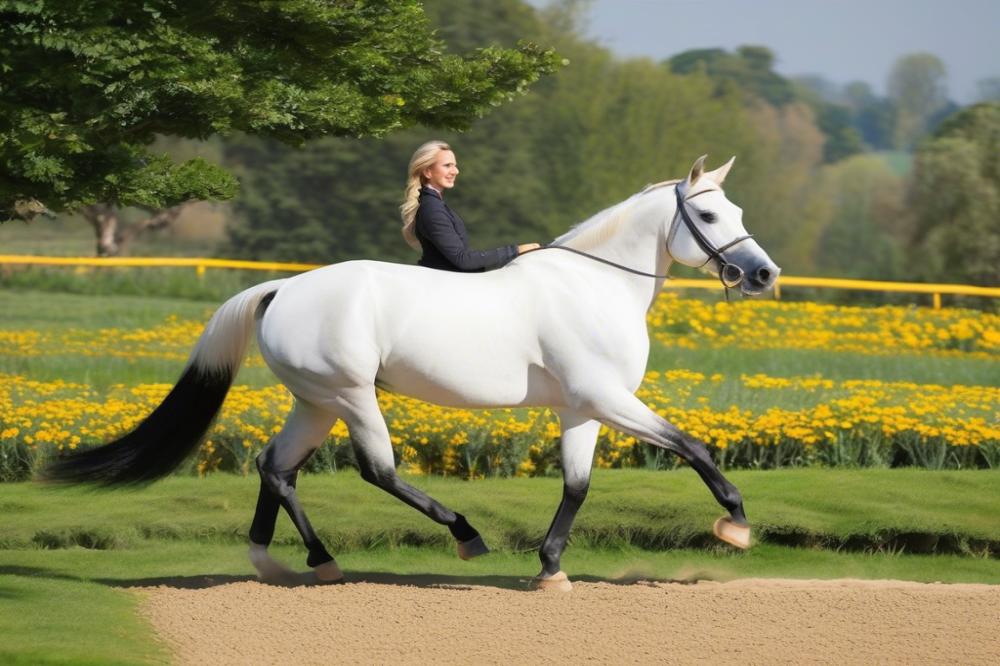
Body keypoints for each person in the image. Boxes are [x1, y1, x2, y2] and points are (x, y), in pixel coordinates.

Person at [400, 140, 540, 272]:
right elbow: (463, 260)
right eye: (447, 165)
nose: (455, 171)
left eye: (454, 165)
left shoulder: (435, 204)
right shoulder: (432, 209)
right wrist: (516, 251)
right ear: (427, 172)